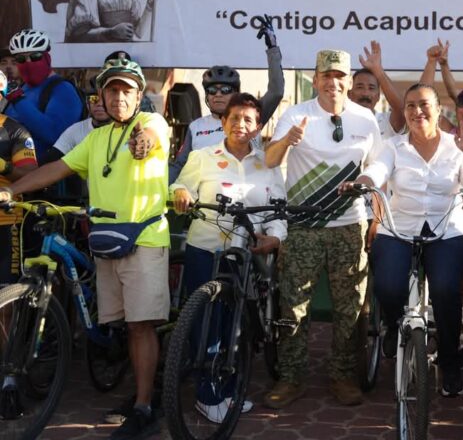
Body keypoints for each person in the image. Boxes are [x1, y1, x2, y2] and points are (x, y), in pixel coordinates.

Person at [0, 57, 170, 440]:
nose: (118, 97)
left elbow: (152, 135)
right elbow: (56, 169)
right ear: (102, 96)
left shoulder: (152, 123)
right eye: (112, 90)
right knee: (126, 325)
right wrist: (12, 189)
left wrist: (144, 141)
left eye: (127, 90)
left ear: (139, 95)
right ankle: (140, 391)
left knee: (141, 326)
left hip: (143, 239)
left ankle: (144, 407)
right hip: (107, 240)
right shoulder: (95, 138)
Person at [341, 83, 463, 396]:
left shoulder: (457, 145)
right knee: (388, 287)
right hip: (399, 229)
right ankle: (393, 326)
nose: (416, 111)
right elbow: (376, 173)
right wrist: (361, 183)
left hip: (447, 229)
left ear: (438, 110)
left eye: (423, 105)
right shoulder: (393, 146)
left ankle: (449, 362)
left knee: (447, 290)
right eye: (409, 106)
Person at [263, 49, 380, 409]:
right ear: (315, 80)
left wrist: (375, 218)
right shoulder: (297, 114)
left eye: (340, 76)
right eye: (326, 76)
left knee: (350, 307)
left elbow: (377, 171)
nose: (334, 83)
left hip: (350, 225)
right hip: (304, 225)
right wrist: (287, 141)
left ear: (348, 81)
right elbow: (269, 160)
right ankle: (291, 377)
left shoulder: (366, 119)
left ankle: (343, 375)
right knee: (293, 305)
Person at [171, 93, 286, 422]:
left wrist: (276, 236)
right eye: (234, 118)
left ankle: (230, 390)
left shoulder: (268, 163)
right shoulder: (202, 156)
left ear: (259, 127)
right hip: (205, 249)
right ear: (223, 122)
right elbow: (182, 187)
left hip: (246, 254)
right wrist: (180, 193)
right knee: (206, 325)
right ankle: (206, 396)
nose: (241, 125)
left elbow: (278, 209)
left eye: (249, 120)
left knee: (237, 326)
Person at [169, 16, 284, 183]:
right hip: (207, 201)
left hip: (245, 200)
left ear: (236, 93)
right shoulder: (196, 127)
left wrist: (272, 48)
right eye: (212, 90)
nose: (218, 94)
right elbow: (180, 165)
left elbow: (276, 91)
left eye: (225, 90)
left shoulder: (251, 116)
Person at [4, 29, 83, 156]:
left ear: (47, 58)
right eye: (21, 59)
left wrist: (18, 100)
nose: (28, 62)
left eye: (35, 56)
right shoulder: (22, 88)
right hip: (11, 168)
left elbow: (54, 135)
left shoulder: (63, 89)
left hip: (44, 171)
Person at [0, 69, 38, 285]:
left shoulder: (14, 131)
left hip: (6, 222)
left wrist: (4, 167)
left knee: (5, 295)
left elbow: (32, 176)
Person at [347, 41, 405, 139]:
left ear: (378, 96)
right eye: (360, 87)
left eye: (371, 88)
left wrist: (378, 71)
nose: (365, 93)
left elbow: (402, 109)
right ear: (349, 93)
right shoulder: (339, 120)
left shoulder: (386, 122)